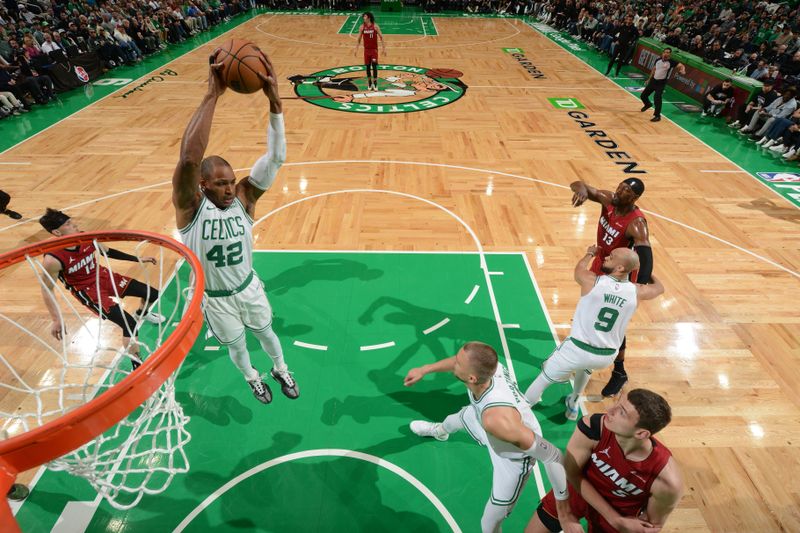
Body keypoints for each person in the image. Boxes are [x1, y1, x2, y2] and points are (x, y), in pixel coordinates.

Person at [172, 53, 299, 405]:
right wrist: (213, 94)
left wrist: (275, 103)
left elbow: (275, 159)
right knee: (238, 346)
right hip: (216, 300)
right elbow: (188, 159)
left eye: (231, 181)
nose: (229, 188)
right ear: (202, 185)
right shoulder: (189, 208)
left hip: (248, 288)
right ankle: (252, 378)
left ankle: (280, 368)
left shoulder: (244, 197)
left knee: (268, 335)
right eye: (220, 184)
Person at [404, 341, 569, 533]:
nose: (453, 363)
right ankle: (439, 432)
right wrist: (424, 369)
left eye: (457, 363)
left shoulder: (497, 420)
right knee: (451, 421)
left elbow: (553, 455)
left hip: (513, 457)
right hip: (482, 417)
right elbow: (457, 363)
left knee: (489, 523)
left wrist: (562, 500)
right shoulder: (490, 368)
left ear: (471, 378)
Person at [525, 245, 664, 420]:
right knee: (585, 367)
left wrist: (589, 254)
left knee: (544, 376)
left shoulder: (592, 281)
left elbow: (579, 270)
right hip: (605, 357)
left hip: (577, 349)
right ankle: (573, 404)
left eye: (611, 257)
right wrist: (646, 269)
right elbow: (659, 288)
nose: (606, 258)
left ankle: (524, 406)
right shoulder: (637, 291)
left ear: (620, 268)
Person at [526, 389, 684, 533]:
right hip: (578, 491)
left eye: (622, 412)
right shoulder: (593, 427)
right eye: (617, 403)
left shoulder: (667, 480)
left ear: (641, 433)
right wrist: (613, 518)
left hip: (620, 517)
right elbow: (571, 472)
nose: (609, 410)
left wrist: (622, 523)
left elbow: (652, 526)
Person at [37, 209, 165, 370]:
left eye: (71, 221)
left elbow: (108, 252)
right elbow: (46, 289)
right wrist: (55, 319)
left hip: (104, 277)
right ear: (56, 232)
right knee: (129, 324)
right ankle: (137, 366)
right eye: (68, 224)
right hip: (88, 292)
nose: (74, 224)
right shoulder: (52, 259)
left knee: (152, 294)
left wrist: (137, 259)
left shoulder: (85, 237)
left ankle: (142, 313)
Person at [569, 178, 652, 398]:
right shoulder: (608, 200)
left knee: (613, 320)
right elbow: (579, 183)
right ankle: (581, 353)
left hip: (619, 273)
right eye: (620, 186)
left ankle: (619, 371)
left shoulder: (636, 224)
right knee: (589, 309)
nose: (619, 190)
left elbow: (646, 256)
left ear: (634, 198)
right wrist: (582, 191)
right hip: (602, 263)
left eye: (625, 190)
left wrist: (638, 286)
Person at [640, 48, 686, 122]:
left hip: (661, 83)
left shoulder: (671, 62)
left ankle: (657, 116)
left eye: (668, 52)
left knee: (657, 98)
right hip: (653, 81)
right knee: (643, 96)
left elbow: (681, 66)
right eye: (665, 52)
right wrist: (649, 79)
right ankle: (648, 104)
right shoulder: (658, 60)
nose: (666, 53)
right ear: (663, 53)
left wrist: (682, 70)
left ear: (670, 54)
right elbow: (654, 69)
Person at [353, 12, 385, 91]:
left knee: (374, 67)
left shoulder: (375, 26)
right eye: (363, 16)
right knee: (367, 67)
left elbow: (381, 37)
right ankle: (370, 83)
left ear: (369, 18)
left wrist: (384, 49)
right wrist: (356, 49)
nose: (363, 18)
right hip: (366, 50)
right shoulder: (362, 27)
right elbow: (359, 39)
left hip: (374, 50)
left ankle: (376, 84)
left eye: (365, 16)